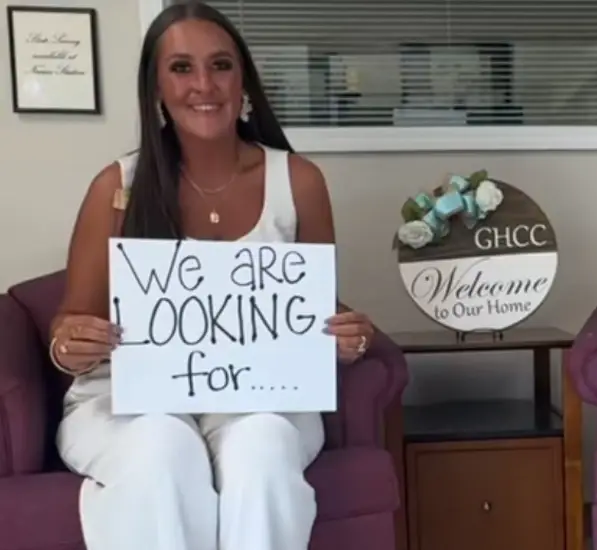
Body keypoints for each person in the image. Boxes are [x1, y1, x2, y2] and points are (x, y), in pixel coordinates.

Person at [47, 3, 375, 550]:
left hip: (259, 398)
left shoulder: (298, 181)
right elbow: (68, 323)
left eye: (220, 65)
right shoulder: (117, 187)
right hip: (127, 401)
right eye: (181, 68)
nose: (204, 84)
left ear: (242, 78)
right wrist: (70, 345)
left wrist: (350, 336)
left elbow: (318, 312)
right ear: (155, 87)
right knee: (161, 446)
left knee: (264, 445)